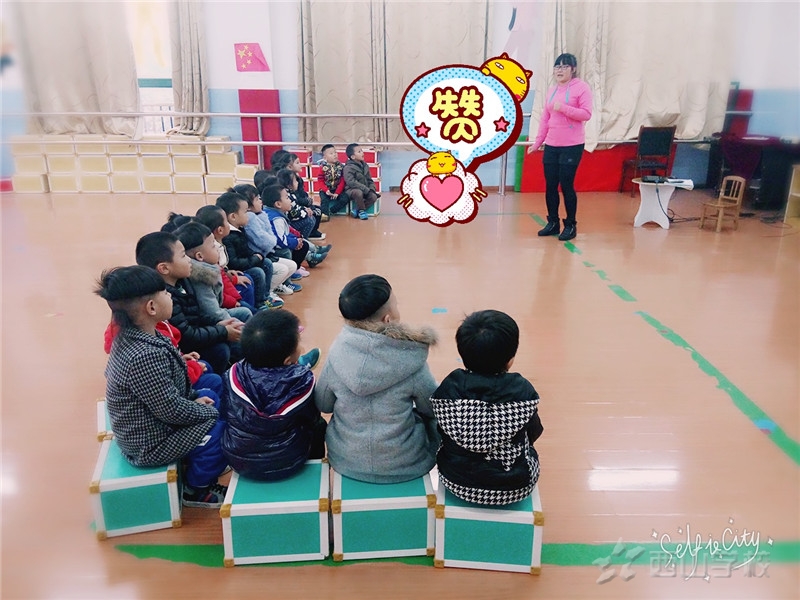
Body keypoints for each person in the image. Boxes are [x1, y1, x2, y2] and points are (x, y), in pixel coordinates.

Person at [96, 265, 228, 508]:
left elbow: (166, 391)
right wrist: (206, 412)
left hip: (156, 419)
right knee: (220, 432)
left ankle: (198, 458)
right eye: (165, 293)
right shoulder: (143, 355)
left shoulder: (137, 336)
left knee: (210, 391)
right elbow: (170, 410)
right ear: (152, 307)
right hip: (150, 443)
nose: (170, 295)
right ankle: (196, 490)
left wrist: (194, 397)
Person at [315, 274, 439, 483]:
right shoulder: (411, 357)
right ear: (387, 319)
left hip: (346, 459)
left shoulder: (337, 354)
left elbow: (323, 404)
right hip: (406, 463)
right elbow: (432, 407)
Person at [430, 310, 543, 506]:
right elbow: (534, 432)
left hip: (456, 481)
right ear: (510, 359)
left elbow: (441, 431)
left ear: (463, 355)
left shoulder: (450, 388)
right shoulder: (522, 391)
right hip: (516, 487)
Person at [222, 309, 326, 481]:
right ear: (288, 360)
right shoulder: (302, 381)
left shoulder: (233, 374)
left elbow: (227, 412)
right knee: (319, 425)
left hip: (240, 461)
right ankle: (314, 469)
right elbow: (311, 417)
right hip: (288, 461)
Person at [135, 231, 243, 377]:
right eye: (183, 256)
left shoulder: (182, 282)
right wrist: (222, 332)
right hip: (187, 348)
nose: (189, 260)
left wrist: (218, 324)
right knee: (220, 349)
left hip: (197, 336)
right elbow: (186, 336)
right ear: (164, 268)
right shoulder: (164, 299)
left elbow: (196, 315)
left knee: (235, 328)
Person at [532, 53, 593, 241]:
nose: (560, 70)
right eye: (557, 66)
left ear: (573, 69)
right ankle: (553, 223)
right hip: (552, 144)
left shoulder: (581, 88)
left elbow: (586, 114)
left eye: (564, 66)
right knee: (550, 185)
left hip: (572, 145)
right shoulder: (552, 90)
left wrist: (564, 108)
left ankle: (570, 225)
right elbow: (545, 119)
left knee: (566, 184)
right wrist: (538, 142)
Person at [216, 191, 288, 307]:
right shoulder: (228, 236)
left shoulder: (240, 229)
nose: (248, 215)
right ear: (233, 216)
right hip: (238, 268)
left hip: (245, 262)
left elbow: (246, 249)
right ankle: (259, 303)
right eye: (245, 212)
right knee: (258, 272)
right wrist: (254, 259)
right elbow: (233, 262)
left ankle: (266, 296)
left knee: (266, 263)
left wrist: (255, 255)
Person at [173, 221, 253, 324]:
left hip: (218, 312)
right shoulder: (200, 276)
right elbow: (213, 312)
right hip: (211, 320)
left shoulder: (209, 267)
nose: (217, 248)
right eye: (213, 246)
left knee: (245, 312)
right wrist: (236, 325)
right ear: (200, 256)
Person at [194, 204, 262, 312]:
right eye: (226, 221)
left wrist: (228, 272)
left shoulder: (219, 243)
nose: (229, 224)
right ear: (220, 230)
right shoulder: (211, 251)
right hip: (225, 296)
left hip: (227, 283)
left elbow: (222, 270)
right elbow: (220, 278)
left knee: (250, 277)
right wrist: (235, 298)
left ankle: (255, 308)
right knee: (246, 289)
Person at [262, 184, 328, 270]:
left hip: (280, 243)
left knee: (303, 243)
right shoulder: (276, 219)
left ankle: (305, 259)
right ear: (278, 204)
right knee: (287, 251)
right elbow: (279, 240)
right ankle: (292, 272)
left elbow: (285, 232)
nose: (290, 200)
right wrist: (295, 242)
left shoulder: (276, 213)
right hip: (274, 249)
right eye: (287, 198)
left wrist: (295, 238)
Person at [342, 143, 379, 220]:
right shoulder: (348, 167)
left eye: (361, 150)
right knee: (358, 192)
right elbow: (351, 182)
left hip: (365, 189)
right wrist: (365, 189)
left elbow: (369, 180)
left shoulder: (365, 166)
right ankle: (362, 211)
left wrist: (371, 189)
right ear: (353, 156)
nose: (362, 153)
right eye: (359, 152)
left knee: (373, 197)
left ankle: (356, 210)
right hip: (351, 190)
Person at [316, 143, 350, 219]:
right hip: (326, 190)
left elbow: (342, 180)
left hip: (338, 189)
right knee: (324, 200)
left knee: (345, 198)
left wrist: (337, 192)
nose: (335, 155)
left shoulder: (341, 166)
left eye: (335, 152)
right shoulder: (322, 167)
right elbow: (320, 181)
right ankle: (324, 214)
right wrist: (326, 190)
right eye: (331, 153)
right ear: (325, 157)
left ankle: (332, 210)